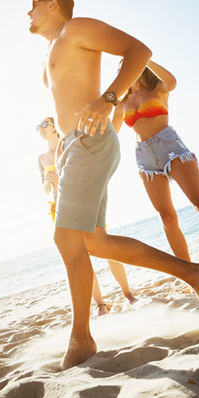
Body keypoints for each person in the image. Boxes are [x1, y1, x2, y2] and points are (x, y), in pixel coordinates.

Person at [27, 0, 199, 369]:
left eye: (32, 4)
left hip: (92, 142)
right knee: (92, 242)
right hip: (75, 146)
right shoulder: (52, 51)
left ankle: (81, 340)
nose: (27, 12)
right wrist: (63, 144)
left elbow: (139, 51)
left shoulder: (75, 29)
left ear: (51, 5)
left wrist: (109, 98)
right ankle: (195, 273)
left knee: (65, 238)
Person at [112, 60, 199, 283]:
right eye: (123, 68)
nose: (127, 70)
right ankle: (192, 276)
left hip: (170, 147)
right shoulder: (122, 103)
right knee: (167, 218)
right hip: (143, 157)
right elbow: (111, 132)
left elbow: (172, 81)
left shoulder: (158, 88)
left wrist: (144, 57)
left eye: (130, 64)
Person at [36, 117, 137, 315]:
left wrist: (62, 176)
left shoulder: (69, 143)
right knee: (80, 256)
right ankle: (100, 305)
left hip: (82, 200)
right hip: (58, 207)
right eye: (37, 127)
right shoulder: (41, 158)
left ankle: (128, 295)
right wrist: (49, 181)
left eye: (44, 125)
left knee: (104, 245)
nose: (40, 129)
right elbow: (45, 189)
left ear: (54, 125)